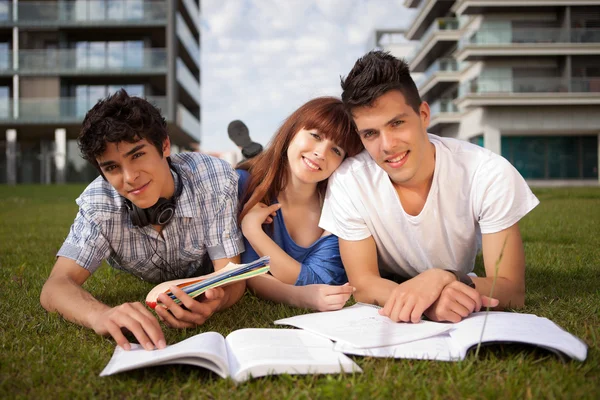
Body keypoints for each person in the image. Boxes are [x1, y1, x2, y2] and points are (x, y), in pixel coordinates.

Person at [320, 51, 540, 323]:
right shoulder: (349, 180)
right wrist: (427, 302)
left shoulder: (487, 172)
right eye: (371, 133)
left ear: (423, 115)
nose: (387, 145)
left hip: (456, 279)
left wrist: (445, 277)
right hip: (396, 281)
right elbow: (364, 284)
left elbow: (511, 289)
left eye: (397, 123)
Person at [40, 90, 245, 351]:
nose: (130, 178)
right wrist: (100, 315)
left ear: (165, 146)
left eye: (137, 155)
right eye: (112, 167)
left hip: (204, 261)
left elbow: (233, 277)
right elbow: (55, 286)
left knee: (252, 176)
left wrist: (218, 300)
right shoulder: (99, 203)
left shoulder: (213, 178)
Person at [237, 97, 364, 311]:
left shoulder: (338, 208)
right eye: (315, 136)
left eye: (336, 150)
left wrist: (252, 230)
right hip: (258, 171)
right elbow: (248, 273)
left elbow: (313, 279)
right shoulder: (245, 186)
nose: (320, 153)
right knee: (251, 163)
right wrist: (300, 297)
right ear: (293, 131)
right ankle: (250, 150)